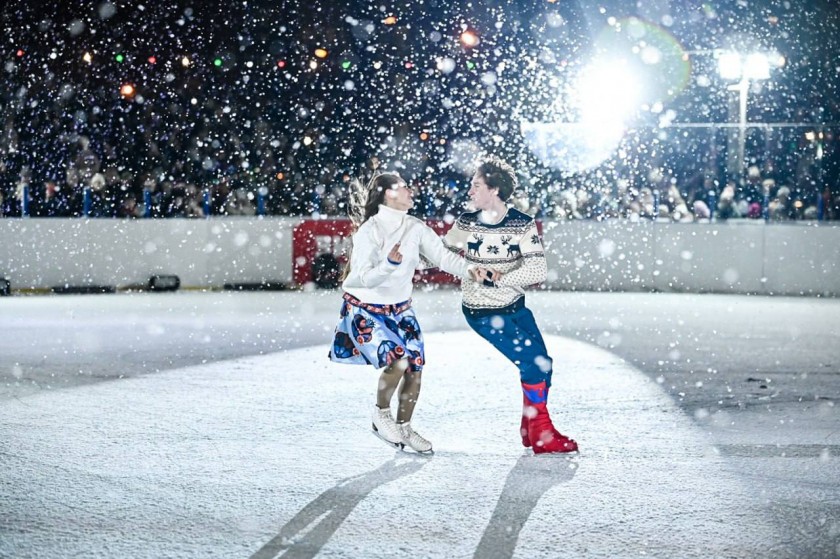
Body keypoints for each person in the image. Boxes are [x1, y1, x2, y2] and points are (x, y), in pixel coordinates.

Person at [329, 172, 473, 453]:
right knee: (398, 361)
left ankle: (404, 427)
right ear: (387, 194)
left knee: (415, 368)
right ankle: (380, 415)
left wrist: (471, 271)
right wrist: (390, 264)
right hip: (366, 310)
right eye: (403, 187)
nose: (410, 190)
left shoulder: (415, 227)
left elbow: (442, 257)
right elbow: (363, 278)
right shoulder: (369, 231)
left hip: (401, 310)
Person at [443, 157, 578, 454]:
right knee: (533, 363)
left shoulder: (521, 224)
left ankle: (531, 426)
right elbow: (442, 255)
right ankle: (541, 433)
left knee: (544, 364)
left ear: (494, 190)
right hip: (482, 312)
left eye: (476, 185)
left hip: (515, 307)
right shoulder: (466, 222)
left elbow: (538, 270)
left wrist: (498, 279)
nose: (470, 191)